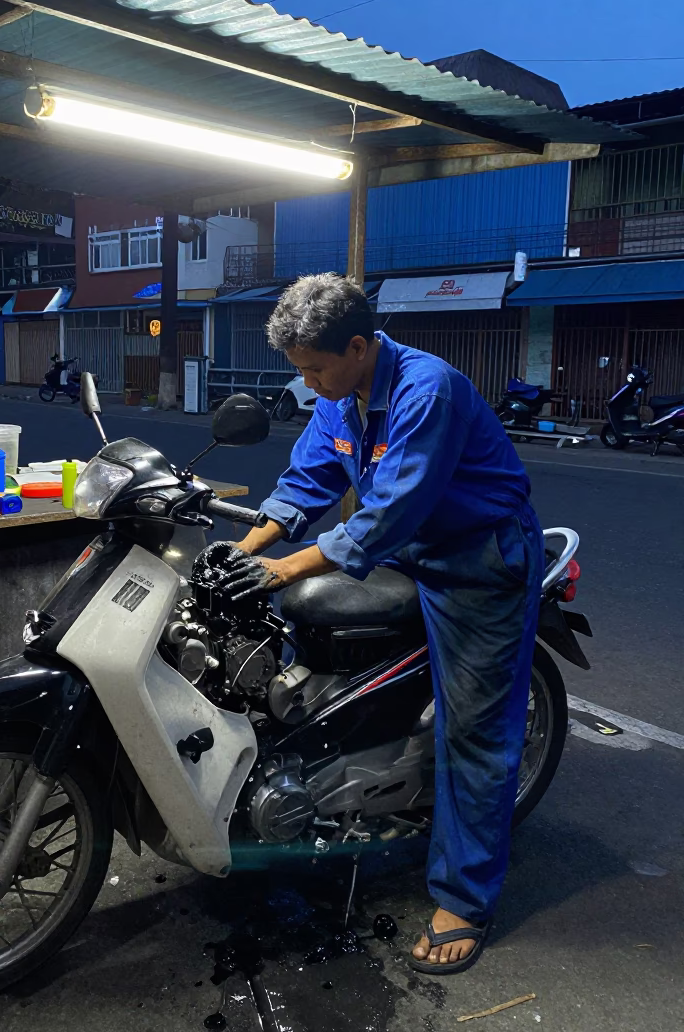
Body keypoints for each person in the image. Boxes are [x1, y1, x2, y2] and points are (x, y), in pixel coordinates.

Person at [225, 273, 543, 975]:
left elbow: (387, 511)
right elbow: (309, 481)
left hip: (476, 561)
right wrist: (243, 554)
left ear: (361, 347)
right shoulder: (341, 395)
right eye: (298, 370)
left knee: (476, 734)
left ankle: (464, 899)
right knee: (307, 637)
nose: (307, 383)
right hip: (408, 550)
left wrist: (281, 568)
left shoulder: (429, 391)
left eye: (315, 368)